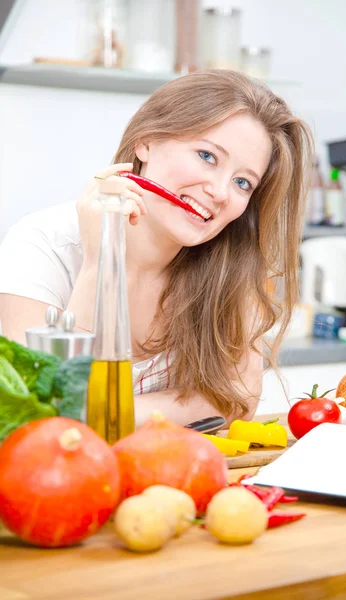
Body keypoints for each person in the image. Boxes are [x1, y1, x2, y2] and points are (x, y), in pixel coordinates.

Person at [0, 69, 313, 426]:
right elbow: (46, 409)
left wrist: (106, 412)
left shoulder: (230, 266)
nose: (221, 192)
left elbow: (237, 400)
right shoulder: (42, 245)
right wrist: (98, 264)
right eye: (207, 156)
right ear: (146, 142)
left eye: (242, 182)